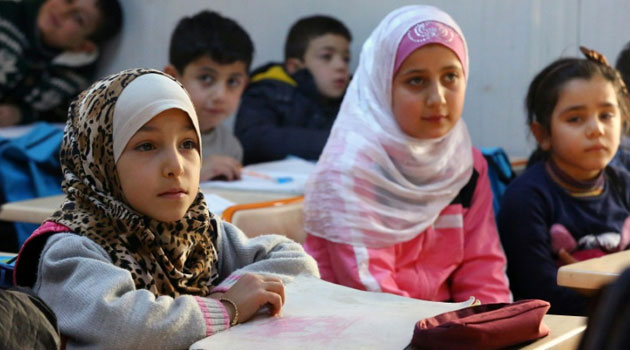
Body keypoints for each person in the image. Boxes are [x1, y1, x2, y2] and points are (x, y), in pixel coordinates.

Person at [12, 68, 319, 349]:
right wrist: (225, 308)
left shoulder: (198, 233)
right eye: (147, 146)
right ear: (99, 161)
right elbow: (124, 326)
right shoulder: (70, 250)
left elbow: (296, 263)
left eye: (187, 144)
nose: (176, 166)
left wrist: (232, 292)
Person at [302, 5, 511, 304]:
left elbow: (483, 268)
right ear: (382, 86)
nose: (437, 98)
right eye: (416, 80)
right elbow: (371, 292)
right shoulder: (352, 171)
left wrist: (493, 326)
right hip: (356, 329)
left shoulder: (466, 164)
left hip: (438, 330)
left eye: (450, 77)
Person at [497, 47, 630, 315]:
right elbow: (540, 291)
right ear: (542, 134)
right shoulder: (526, 198)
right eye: (575, 119)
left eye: (606, 115)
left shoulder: (624, 184)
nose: (596, 129)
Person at [234, 14, 351, 164]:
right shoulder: (269, 90)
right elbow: (252, 140)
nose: (341, 66)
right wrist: (335, 142)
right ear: (294, 67)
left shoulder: (352, 96)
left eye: (346, 59)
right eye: (326, 56)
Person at [0, 0, 123, 126]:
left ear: (84, 46)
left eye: (78, 18)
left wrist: (19, 114)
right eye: (67, 1)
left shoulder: (75, 76)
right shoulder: (6, 14)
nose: (63, 12)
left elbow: (58, 117)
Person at [164, 10, 252, 181]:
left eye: (233, 81)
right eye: (206, 78)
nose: (220, 95)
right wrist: (192, 173)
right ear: (172, 78)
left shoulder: (230, 146)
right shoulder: (146, 137)